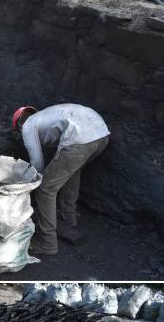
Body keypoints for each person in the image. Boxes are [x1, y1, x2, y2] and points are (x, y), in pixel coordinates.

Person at [12, 104, 110, 255]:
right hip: (101, 134)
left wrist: (31, 186)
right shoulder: (46, 115)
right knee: (71, 172)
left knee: (45, 189)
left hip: (80, 139)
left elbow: (37, 161)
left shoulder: (28, 126)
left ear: (19, 125)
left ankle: (47, 242)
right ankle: (69, 220)